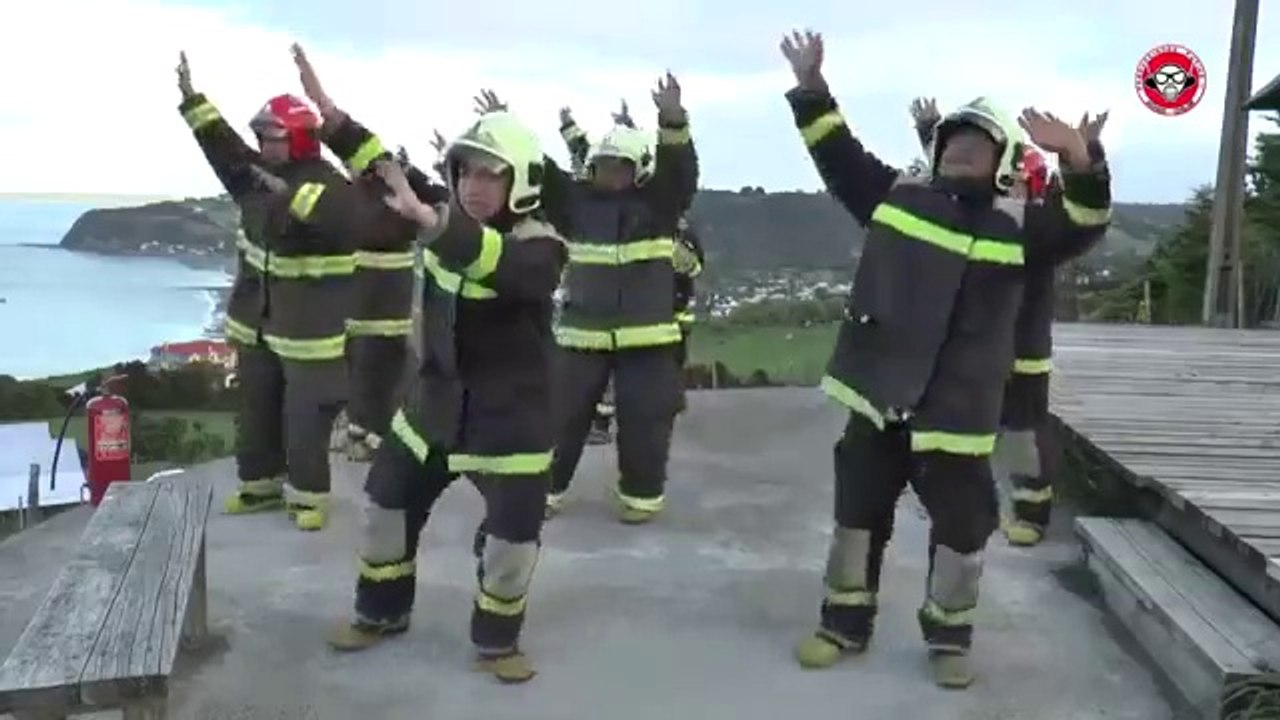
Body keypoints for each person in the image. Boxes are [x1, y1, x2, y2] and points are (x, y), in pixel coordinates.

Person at [779, 30, 1112, 688]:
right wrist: (811, 88)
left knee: (962, 531)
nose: (962, 149)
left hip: (957, 416)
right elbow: (837, 156)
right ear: (935, 152)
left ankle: (950, 637)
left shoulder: (1022, 227)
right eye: (953, 140)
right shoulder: (897, 197)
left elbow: (1085, 220)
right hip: (877, 402)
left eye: (978, 143)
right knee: (856, 517)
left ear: (1003, 160)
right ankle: (841, 624)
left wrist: (1080, 157)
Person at [324, 106, 567, 686]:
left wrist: (433, 224)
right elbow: (386, 170)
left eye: (491, 174)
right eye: (465, 173)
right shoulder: (443, 212)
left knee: (511, 544)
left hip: (512, 420)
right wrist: (336, 124)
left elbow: (500, 264)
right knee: (384, 508)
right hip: (432, 407)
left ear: (522, 181)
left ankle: (496, 641)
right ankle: (380, 613)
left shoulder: (542, 246)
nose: (473, 186)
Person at [176, 51, 367, 532]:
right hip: (259, 321)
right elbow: (225, 150)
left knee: (305, 415)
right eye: (261, 136)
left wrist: (290, 198)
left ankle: (308, 497)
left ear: (300, 140)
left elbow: (342, 223)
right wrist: (194, 102)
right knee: (257, 407)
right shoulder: (255, 175)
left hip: (309, 331)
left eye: (273, 137)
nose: (263, 144)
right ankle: (259, 484)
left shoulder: (329, 184)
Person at [911, 98, 1111, 547]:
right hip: (976, 345)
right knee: (965, 425)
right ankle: (961, 503)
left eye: (1027, 183)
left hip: (1024, 346)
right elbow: (952, 173)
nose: (1018, 188)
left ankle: (1032, 509)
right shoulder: (978, 209)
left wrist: (1082, 153)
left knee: (1023, 426)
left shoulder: (1036, 224)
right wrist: (930, 131)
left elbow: (1083, 213)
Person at [545, 87, 699, 523]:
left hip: (648, 340)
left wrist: (672, 121)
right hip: (580, 336)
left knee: (646, 421)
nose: (610, 173)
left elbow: (680, 169)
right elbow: (542, 173)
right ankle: (544, 491)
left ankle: (640, 497)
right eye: (603, 165)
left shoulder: (661, 203)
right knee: (560, 416)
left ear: (640, 170)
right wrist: (504, 129)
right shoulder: (573, 204)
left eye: (620, 166)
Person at [289, 45, 435, 463]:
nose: (353, 166)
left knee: (394, 368)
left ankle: (375, 435)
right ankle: (359, 432)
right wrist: (316, 93)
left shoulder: (409, 188)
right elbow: (340, 126)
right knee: (358, 368)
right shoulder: (356, 192)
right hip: (358, 305)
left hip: (393, 305)